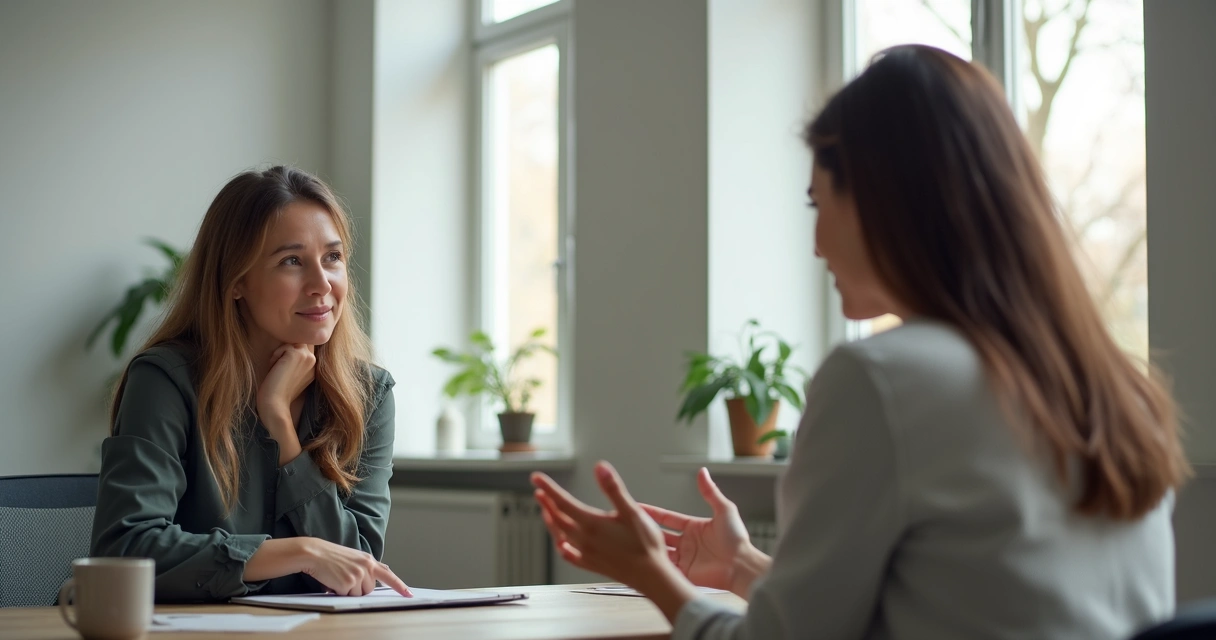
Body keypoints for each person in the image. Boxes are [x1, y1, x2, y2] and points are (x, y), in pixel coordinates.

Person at [530, 45, 1190, 639]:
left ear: (882, 198)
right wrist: (743, 567)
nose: (815, 245)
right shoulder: (1115, 389)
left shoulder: (881, 381)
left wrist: (653, 577)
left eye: (819, 204)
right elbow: (948, 607)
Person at [91, 166, 412, 602]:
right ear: (237, 280)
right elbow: (125, 552)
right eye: (291, 261)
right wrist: (300, 552)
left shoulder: (368, 395)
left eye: (333, 258)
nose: (322, 285)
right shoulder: (165, 380)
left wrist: (279, 422)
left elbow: (357, 567)